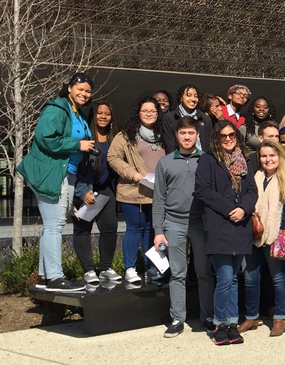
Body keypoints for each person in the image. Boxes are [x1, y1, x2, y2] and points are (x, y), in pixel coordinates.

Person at [18, 73, 95, 291]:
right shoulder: (57, 108)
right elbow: (45, 138)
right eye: (80, 88)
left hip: (67, 173)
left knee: (52, 225)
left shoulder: (77, 113)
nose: (84, 93)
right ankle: (55, 278)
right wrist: (77, 145)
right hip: (54, 173)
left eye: (88, 91)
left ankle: (44, 277)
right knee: (55, 225)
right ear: (69, 88)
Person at [194, 120, 257, 345]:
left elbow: (251, 190)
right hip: (220, 224)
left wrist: (244, 208)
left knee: (234, 279)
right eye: (223, 136)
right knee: (224, 277)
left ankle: (232, 323)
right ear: (216, 138)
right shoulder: (208, 159)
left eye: (232, 135)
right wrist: (230, 208)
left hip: (241, 225)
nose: (228, 139)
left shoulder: (245, 159)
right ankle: (219, 323)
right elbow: (202, 189)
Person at [152, 116, 215, 337]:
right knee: (178, 274)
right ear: (176, 135)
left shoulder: (207, 160)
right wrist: (158, 231)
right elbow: (158, 198)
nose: (187, 137)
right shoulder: (165, 162)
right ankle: (178, 318)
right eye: (182, 133)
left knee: (204, 273)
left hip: (201, 224)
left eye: (191, 133)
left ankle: (207, 316)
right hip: (174, 223)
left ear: (197, 135)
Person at [239, 140, 285, 337]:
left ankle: (279, 318)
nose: (268, 159)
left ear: (280, 157)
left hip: (277, 234)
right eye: (264, 156)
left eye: (272, 155)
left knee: (279, 278)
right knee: (251, 278)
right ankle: (251, 317)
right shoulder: (253, 178)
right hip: (254, 235)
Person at [108, 97, 165, 284]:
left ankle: (150, 267)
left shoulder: (163, 134)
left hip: (157, 192)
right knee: (135, 228)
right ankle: (130, 268)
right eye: (145, 110)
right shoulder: (125, 135)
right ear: (138, 113)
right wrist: (132, 174)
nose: (149, 114)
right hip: (133, 191)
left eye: (153, 111)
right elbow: (113, 157)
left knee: (152, 230)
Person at [72, 101, 121, 285]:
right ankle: (88, 270)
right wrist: (82, 191)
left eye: (107, 113)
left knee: (110, 227)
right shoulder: (85, 136)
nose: (103, 116)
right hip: (84, 187)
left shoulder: (115, 137)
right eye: (99, 113)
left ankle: (105, 268)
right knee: (83, 229)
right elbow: (75, 167)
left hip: (105, 188)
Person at [161, 84, 213, 154]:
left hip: (203, 160)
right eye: (188, 95)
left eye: (196, 96)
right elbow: (170, 145)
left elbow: (209, 145)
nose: (193, 99)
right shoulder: (170, 118)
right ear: (181, 98)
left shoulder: (205, 119)